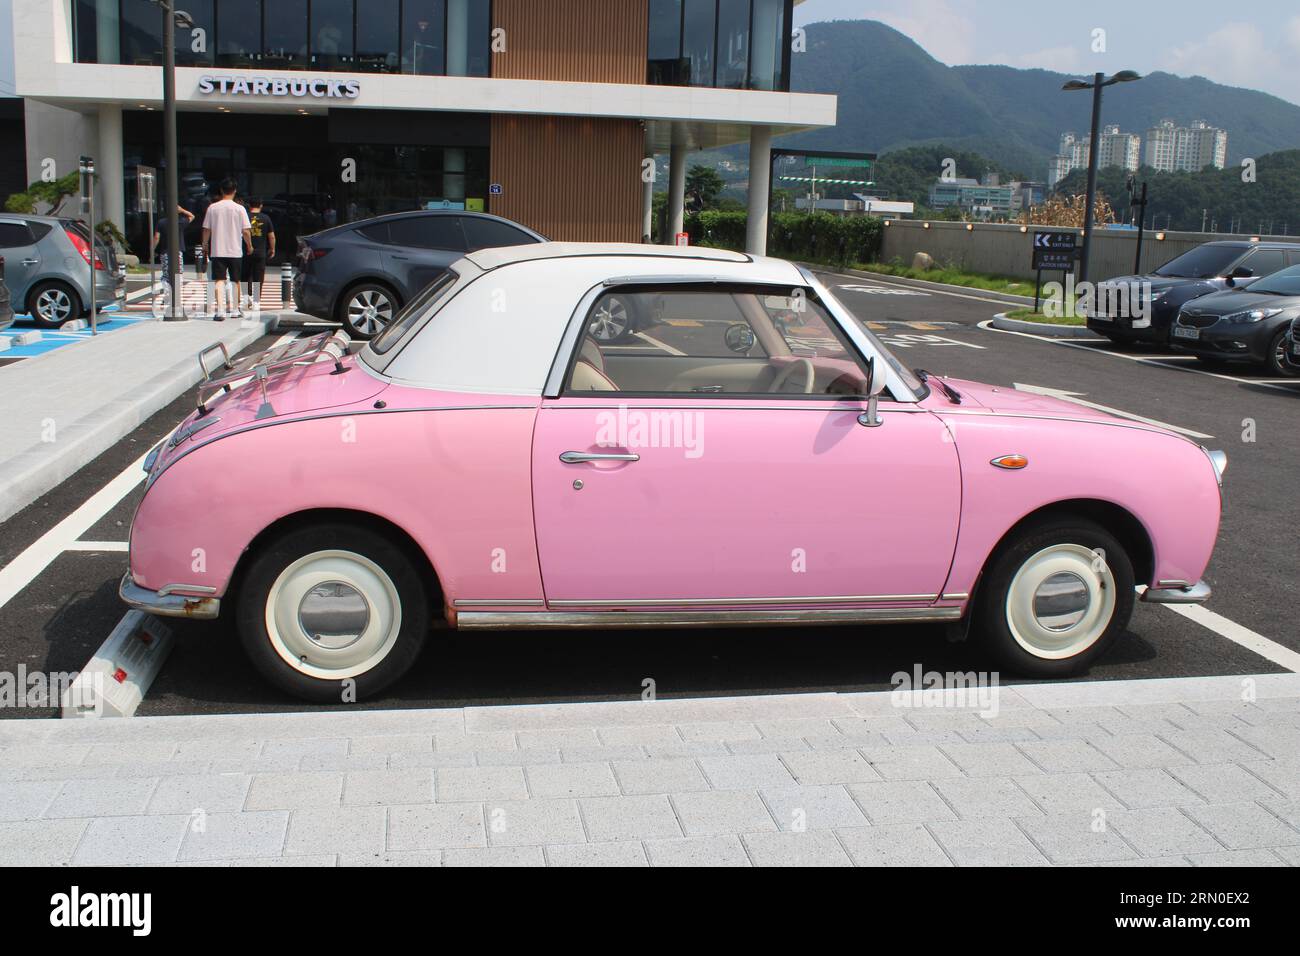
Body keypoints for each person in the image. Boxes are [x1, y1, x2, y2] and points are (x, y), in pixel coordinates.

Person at [201, 178, 252, 320]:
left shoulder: (212, 208)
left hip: (217, 250)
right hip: (235, 251)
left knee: (219, 280)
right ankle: (235, 310)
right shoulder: (240, 209)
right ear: (234, 191)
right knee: (235, 280)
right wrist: (249, 245)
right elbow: (246, 231)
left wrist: (205, 244)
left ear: (222, 190)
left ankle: (220, 311)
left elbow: (206, 230)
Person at [244, 197, 276, 309]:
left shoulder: (245, 216)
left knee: (245, 275)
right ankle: (256, 302)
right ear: (261, 205)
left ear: (249, 205)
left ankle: (246, 298)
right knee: (258, 276)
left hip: (246, 251)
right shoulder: (266, 218)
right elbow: (271, 236)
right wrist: (272, 249)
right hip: (260, 252)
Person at [151, 205, 194, 280]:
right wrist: (182, 210)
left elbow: (156, 237)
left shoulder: (161, 222)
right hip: (178, 250)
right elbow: (192, 216)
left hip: (165, 251)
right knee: (178, 273)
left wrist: (152, 249)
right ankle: (177, 290)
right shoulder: (180, 222)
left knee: (166, 274)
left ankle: (168, 291)